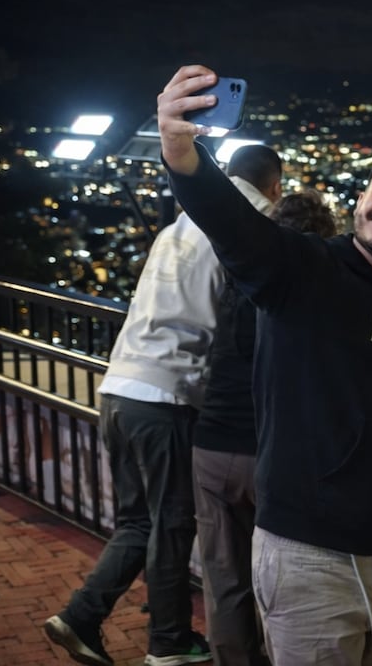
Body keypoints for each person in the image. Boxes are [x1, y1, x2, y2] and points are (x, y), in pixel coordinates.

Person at [152, 66, 372, 666]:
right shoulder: (299, 269)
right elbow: (228, 219)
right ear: (362, 197)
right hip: (305, 556)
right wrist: (179, 149)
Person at [44, 139, 284, 666]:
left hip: (120, 387)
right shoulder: (247, 220)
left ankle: (82, 616)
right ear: (275, 185)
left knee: (140, 523)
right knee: (173, 524)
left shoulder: (178, 224)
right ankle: (169, 642)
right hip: (169, 394)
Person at [191, 190, 336, 666]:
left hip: (212, 445)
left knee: (224, 578)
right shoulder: (314, 290)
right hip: (272, 455)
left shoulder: (240, 277)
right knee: (283, 581)